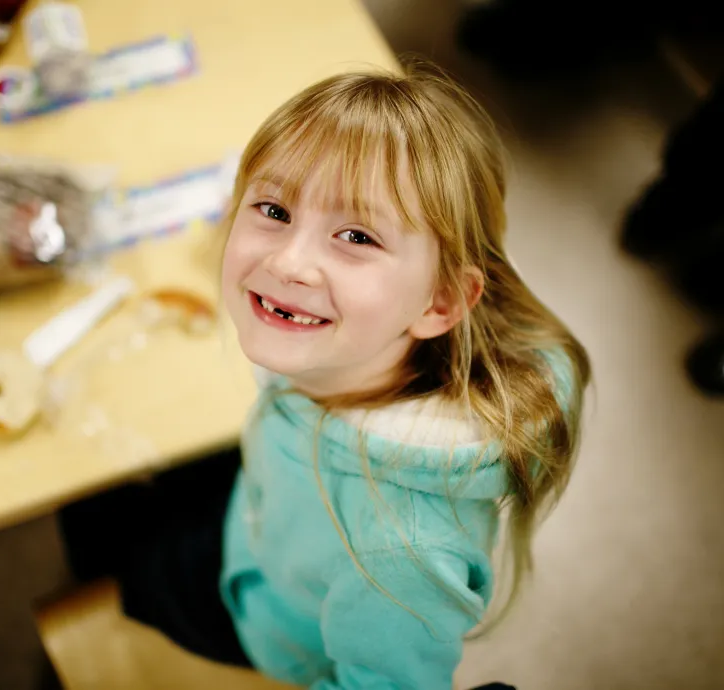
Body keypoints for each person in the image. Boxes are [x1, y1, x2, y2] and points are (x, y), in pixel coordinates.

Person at [59, 65, 589, 690]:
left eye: (357, 235)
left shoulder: (400, 555)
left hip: (259, 620)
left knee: (97, 533)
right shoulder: (339, 349)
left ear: (439, 303)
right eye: (275, 209)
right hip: (265, 512)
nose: (287, 260)